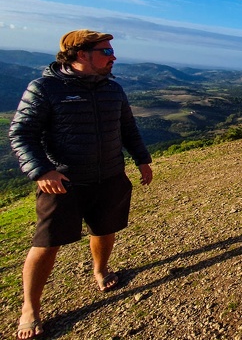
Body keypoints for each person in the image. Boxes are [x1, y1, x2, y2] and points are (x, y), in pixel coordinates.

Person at [8, 29, 153, 340]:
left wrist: (142, 158)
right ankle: (30, 308)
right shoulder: (45, 88)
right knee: (47, 243)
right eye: (105, 51)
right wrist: (41, 171)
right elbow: (21, 134)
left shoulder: (113, 89)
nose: (113, 56)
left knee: (105, 229)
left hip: (111, 176)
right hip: (63, 183)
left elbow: (128, 127)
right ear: (80, 54)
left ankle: (100, 270)